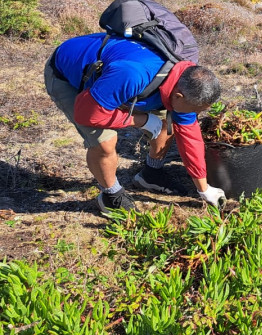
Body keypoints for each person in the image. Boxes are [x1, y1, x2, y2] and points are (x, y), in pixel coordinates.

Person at [45, 34, 224, 216]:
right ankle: (111, 195)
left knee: (166, 126)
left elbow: (190, 137)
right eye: (195, 110)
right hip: (69, 74)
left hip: (116, 83)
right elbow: (87, 114)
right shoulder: (133, 75)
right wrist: (141, 120)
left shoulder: (186, 84)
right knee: (105, 143)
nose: (196, 114)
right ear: (178, 96)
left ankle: (150, 175)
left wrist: (204, 189)